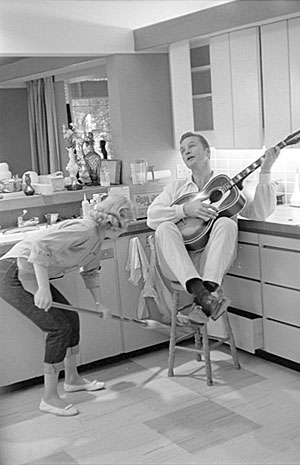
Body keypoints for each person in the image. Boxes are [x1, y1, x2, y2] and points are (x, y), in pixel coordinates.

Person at [0, 193, 134, 417]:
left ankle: (72, 380)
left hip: (32, 273)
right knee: (58, 328)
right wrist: (43, 289)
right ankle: (49, 398)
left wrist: (100, 304)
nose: (128, 227)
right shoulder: (84, 229)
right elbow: (39, 247)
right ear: (115, 221)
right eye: (127, 221)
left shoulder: (97, 239)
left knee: (71, 320)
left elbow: (90, 272)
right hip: (13, 272)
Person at [147, 132, 280, 321]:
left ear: (207, 152)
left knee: (226, 222)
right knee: (163, 228)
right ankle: (205, 296)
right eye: (183, 150)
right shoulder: (176, 187)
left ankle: (204, 293)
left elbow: (259, 213)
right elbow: (151, 217)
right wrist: (185, 209)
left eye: (191, 146)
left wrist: (265, 172)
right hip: (181, 260)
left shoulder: (226, 186)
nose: (186, 151)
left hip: (214, 260)